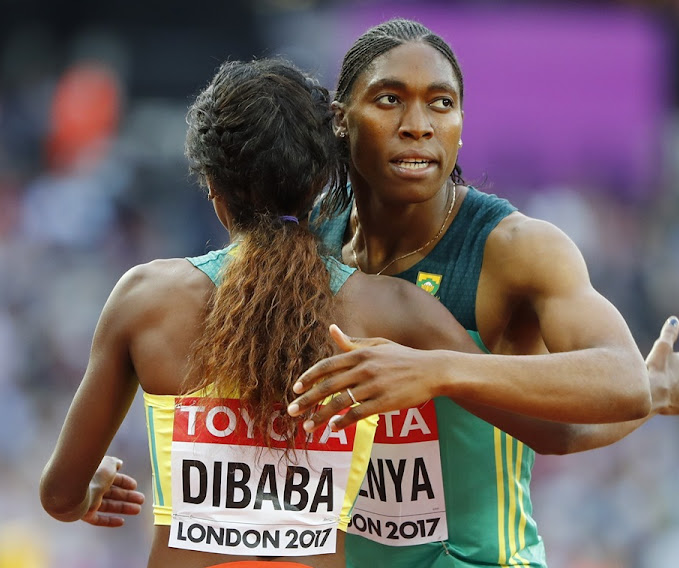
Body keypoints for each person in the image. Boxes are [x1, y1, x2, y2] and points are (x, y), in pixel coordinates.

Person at [286, 18, 679, 568]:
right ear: (342, 121)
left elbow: (621, 379)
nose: (417, 125)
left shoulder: (515, 248)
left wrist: (434, 370)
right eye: (389, 100)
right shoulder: (310, 243)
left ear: (461, 124)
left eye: (441, 103)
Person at [39, 58, 490, 568]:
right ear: (321, 179)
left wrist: (90, 488)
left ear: (211, 184)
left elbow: (58, 495)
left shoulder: (144, 299)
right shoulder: (395, 309)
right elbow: (543, 421)